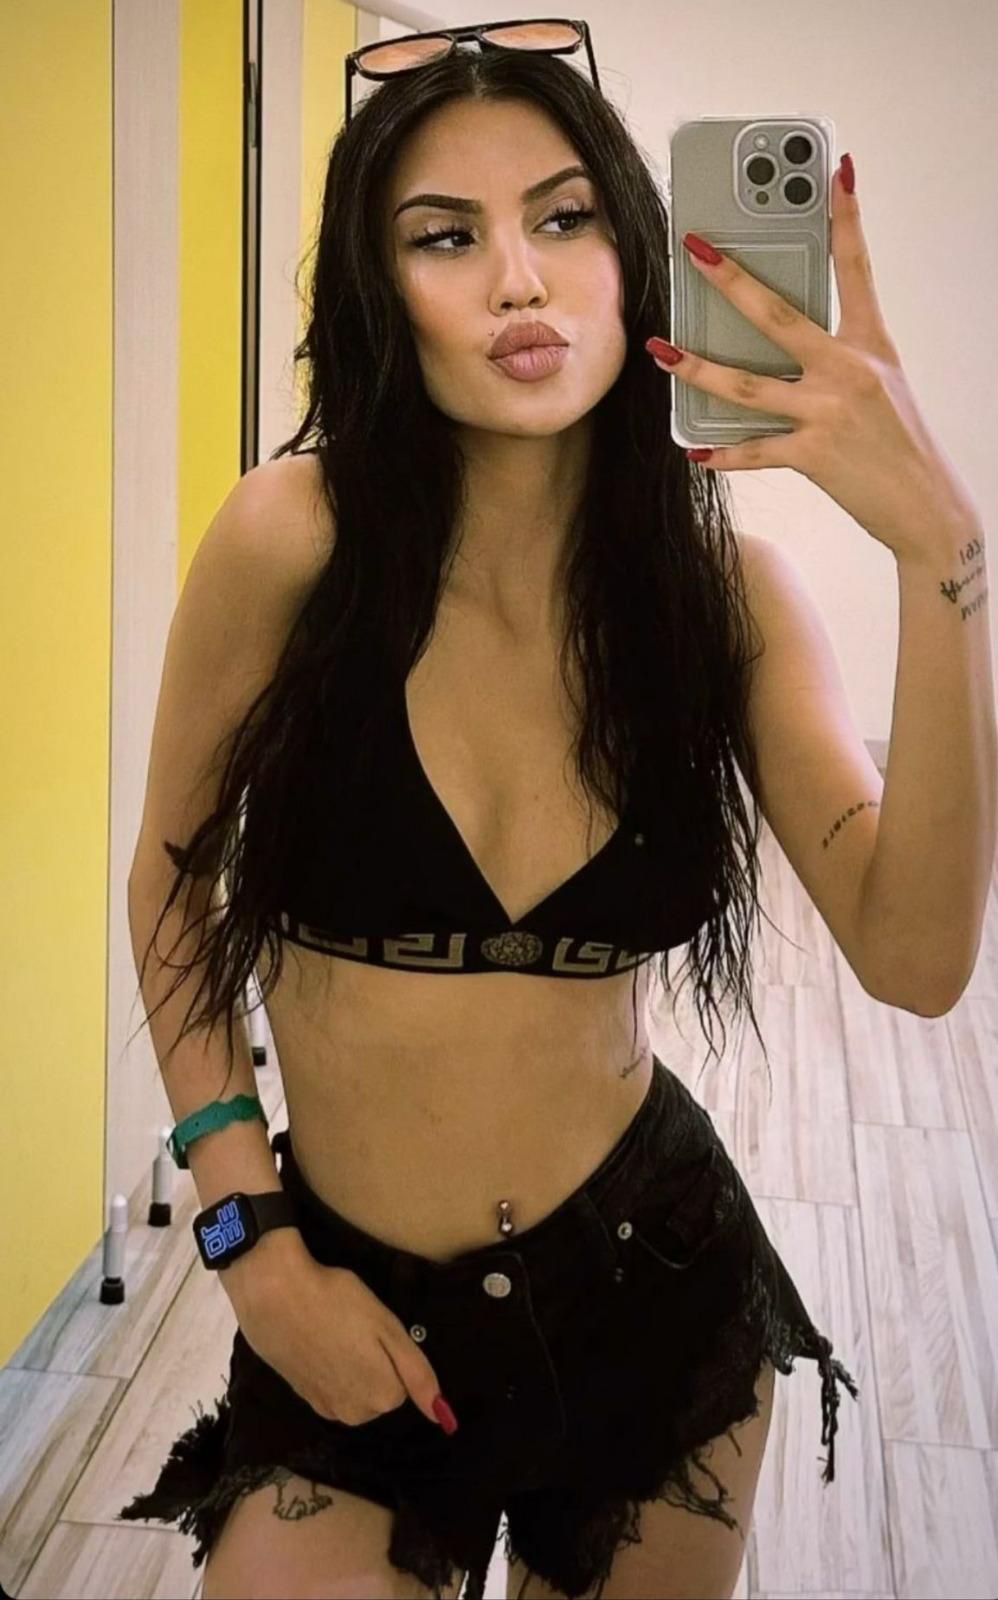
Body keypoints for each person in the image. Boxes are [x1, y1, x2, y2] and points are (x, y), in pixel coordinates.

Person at [118, 23, 858, 1600]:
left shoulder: (716, 590)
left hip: (652, 1285)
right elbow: (171, 885)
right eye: (445, 237)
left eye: (564, 217)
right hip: (347, 1293)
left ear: (633, 255)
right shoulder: (291, 540)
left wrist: (940, 545)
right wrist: (251, 1246)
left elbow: (919, 955)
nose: (518, 280)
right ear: (377, 290)